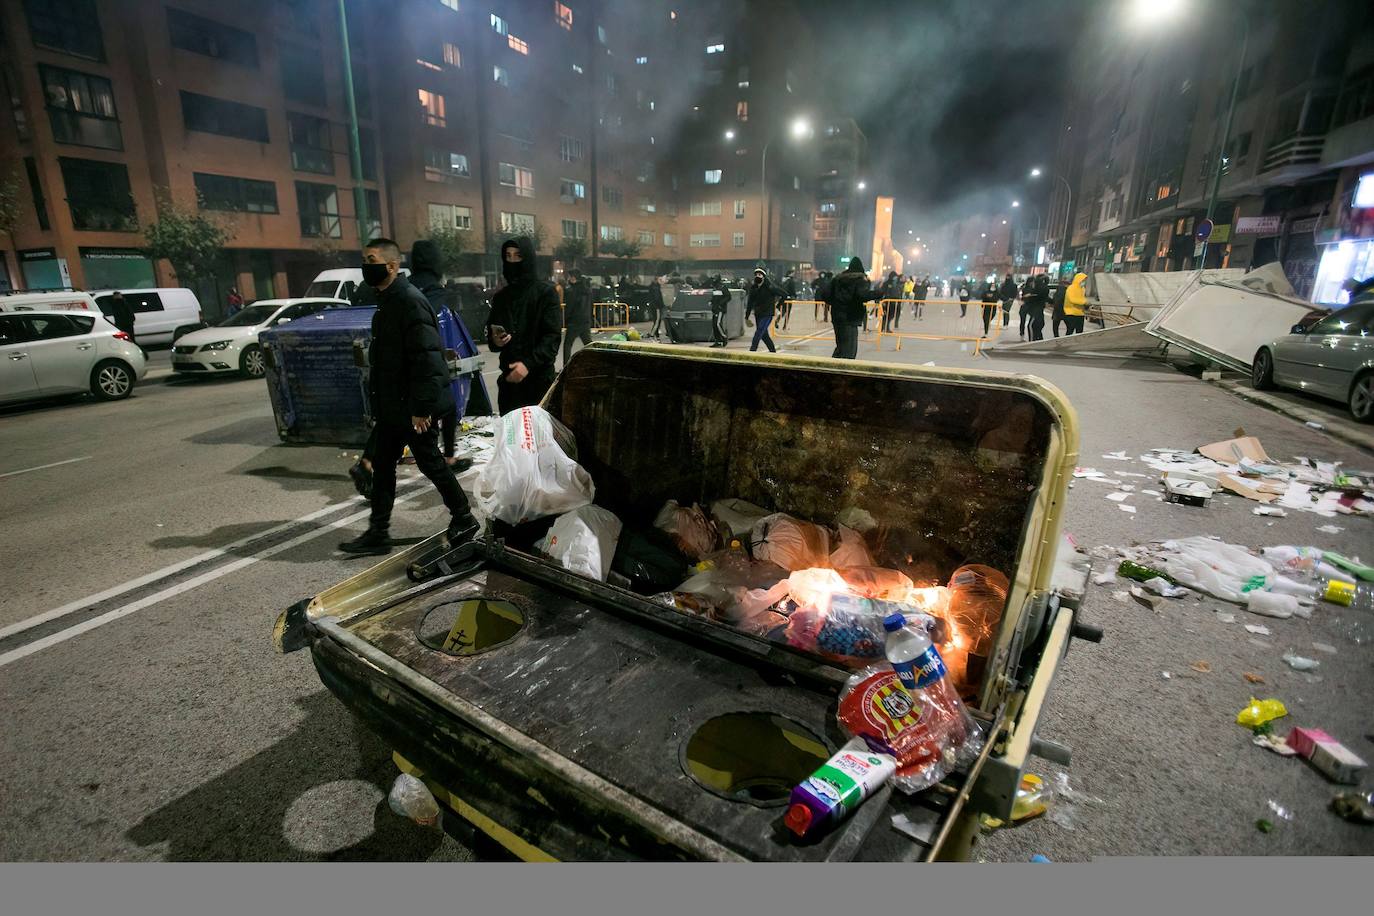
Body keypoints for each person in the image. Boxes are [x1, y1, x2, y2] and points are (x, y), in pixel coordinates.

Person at [339, 238, 479, 555]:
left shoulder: (409, 301)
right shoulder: (389, 300)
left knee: (430, 462)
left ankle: (464, 517)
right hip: (394, 405)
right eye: (364, 258)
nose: (366, 265)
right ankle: (378, 533)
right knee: (384, 466)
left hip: (413, 406)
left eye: (371, 259)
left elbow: (427, 359)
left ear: (391, 265)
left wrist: (421, 408)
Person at [408, 238, 469, 469]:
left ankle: (369, 462)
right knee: (448, 407)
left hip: (406, 365)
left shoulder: (407, 288)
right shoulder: (437, 292)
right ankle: (448, 457)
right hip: (430, 361)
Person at [486, 236, 563, 414]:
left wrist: (527, 365)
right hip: (509, 385)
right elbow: (492, 336)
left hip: (539, 384)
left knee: (539, 439)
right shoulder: (501, 298)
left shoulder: (545, 293)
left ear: (527, 258)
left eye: (518, 256)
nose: (513, 261)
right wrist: (496, 340)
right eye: (508, 256)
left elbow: (551, 338)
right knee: (512, 440)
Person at [824, 257, 880, 359]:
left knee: (840, 347)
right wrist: (879, 293)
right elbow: (862, 295)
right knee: (849, 349)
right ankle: (842, 372)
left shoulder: (837, 279)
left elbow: (825, 294)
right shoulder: (859, 279)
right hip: (851, 317)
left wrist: (836, 303)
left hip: (837, 316)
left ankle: (831, 368)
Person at [746, 267, 784, 352]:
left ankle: (752, 350)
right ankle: (772, 351)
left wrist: (778, 306)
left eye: (759, 274)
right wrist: (746, 316)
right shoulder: (753, 288)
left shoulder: (770, 286)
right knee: (764, 335)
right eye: (756, 274)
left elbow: (784, 294)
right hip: (758, 314)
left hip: (767, 313)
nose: (757, 276)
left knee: (759, 331)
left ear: (763, 276)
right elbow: (750, 302)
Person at [562, 268, 593, 365]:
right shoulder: (587, 289)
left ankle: (566, 365)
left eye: (569, 276)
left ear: (573, 277)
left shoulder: (572, 290)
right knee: (588, 344)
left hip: (574, 321)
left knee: (567, 344)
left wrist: (565, 319)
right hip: (585, 320)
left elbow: (570, 307)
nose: (568, 279)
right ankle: (595, 362)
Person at [1023, 274, 1049, 341]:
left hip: (1036, 310)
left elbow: (1034, 297)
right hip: (1039, 310)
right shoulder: (1044, 288)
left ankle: (1032, 341)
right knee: (1038, 326)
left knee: (1031, 325)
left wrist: (1029, 297)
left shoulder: (1038, 289)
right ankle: (1039, 339)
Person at [710, 275, 732, 348]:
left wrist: (721, 304)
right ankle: (718, 341)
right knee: (714, 325)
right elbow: (714, 297)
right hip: (715, 308)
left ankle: (724, 337)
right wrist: (711, 301)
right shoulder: (715, 288)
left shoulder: (723, 287)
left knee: (718, 324)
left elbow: (728, 296)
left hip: (720, 309)